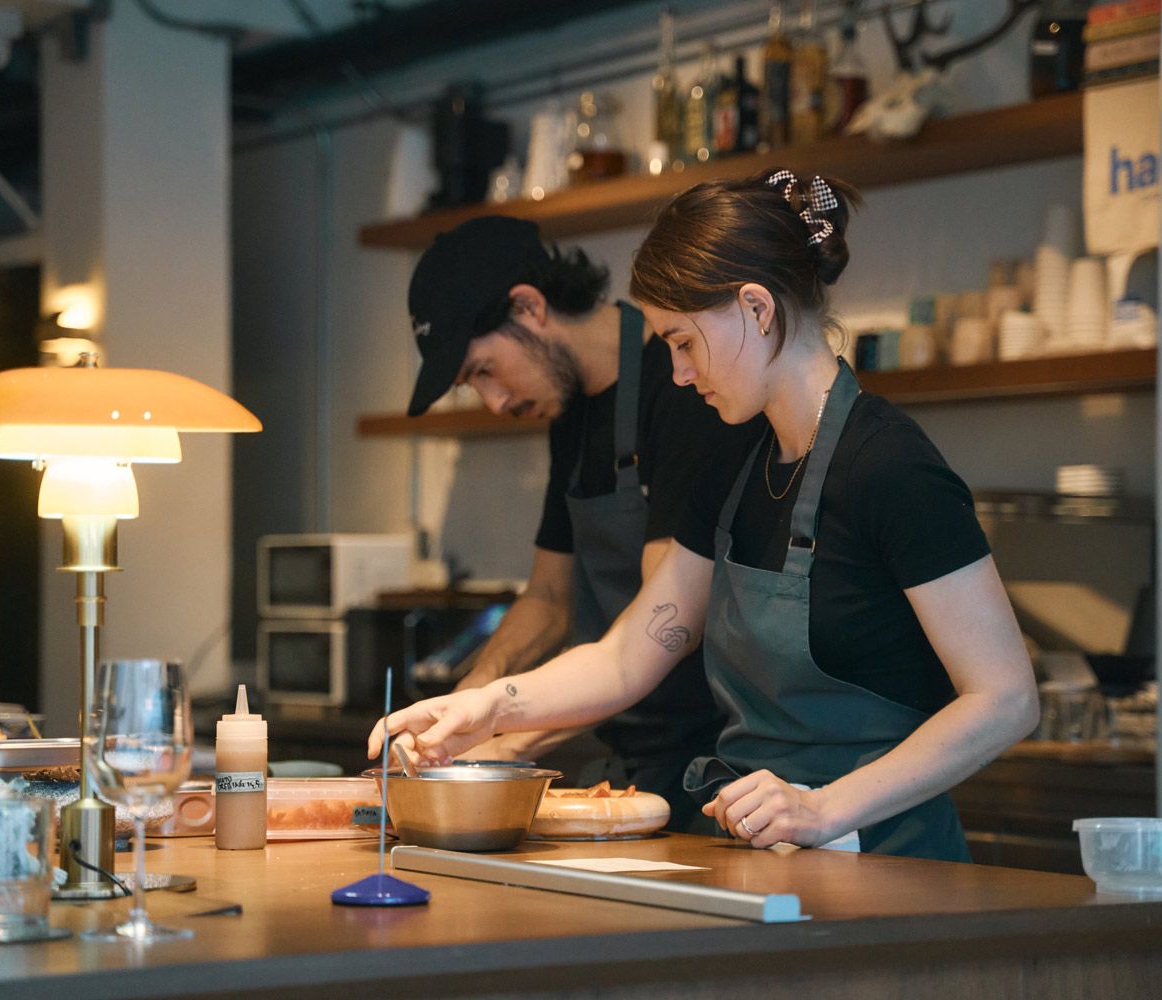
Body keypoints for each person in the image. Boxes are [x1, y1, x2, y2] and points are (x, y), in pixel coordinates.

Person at [376, 174, 1038, 859]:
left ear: (755, 308)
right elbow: (629, 655)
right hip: (765, 860)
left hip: (889, 868)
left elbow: (1006, 699)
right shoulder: (734, 462)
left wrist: (821, 807)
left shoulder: (890, 467)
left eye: (683, 342)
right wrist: (490, 706)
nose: (680, 373)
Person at [403, 216, 762, 832]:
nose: (494, 402)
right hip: (626, 755)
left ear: (530, 307)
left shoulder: (680, 391)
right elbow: (548, 598)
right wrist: (473, 694)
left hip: (716, 770)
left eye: (484, 369)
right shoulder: (571, 411)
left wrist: (504, 740)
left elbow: (652, 631)